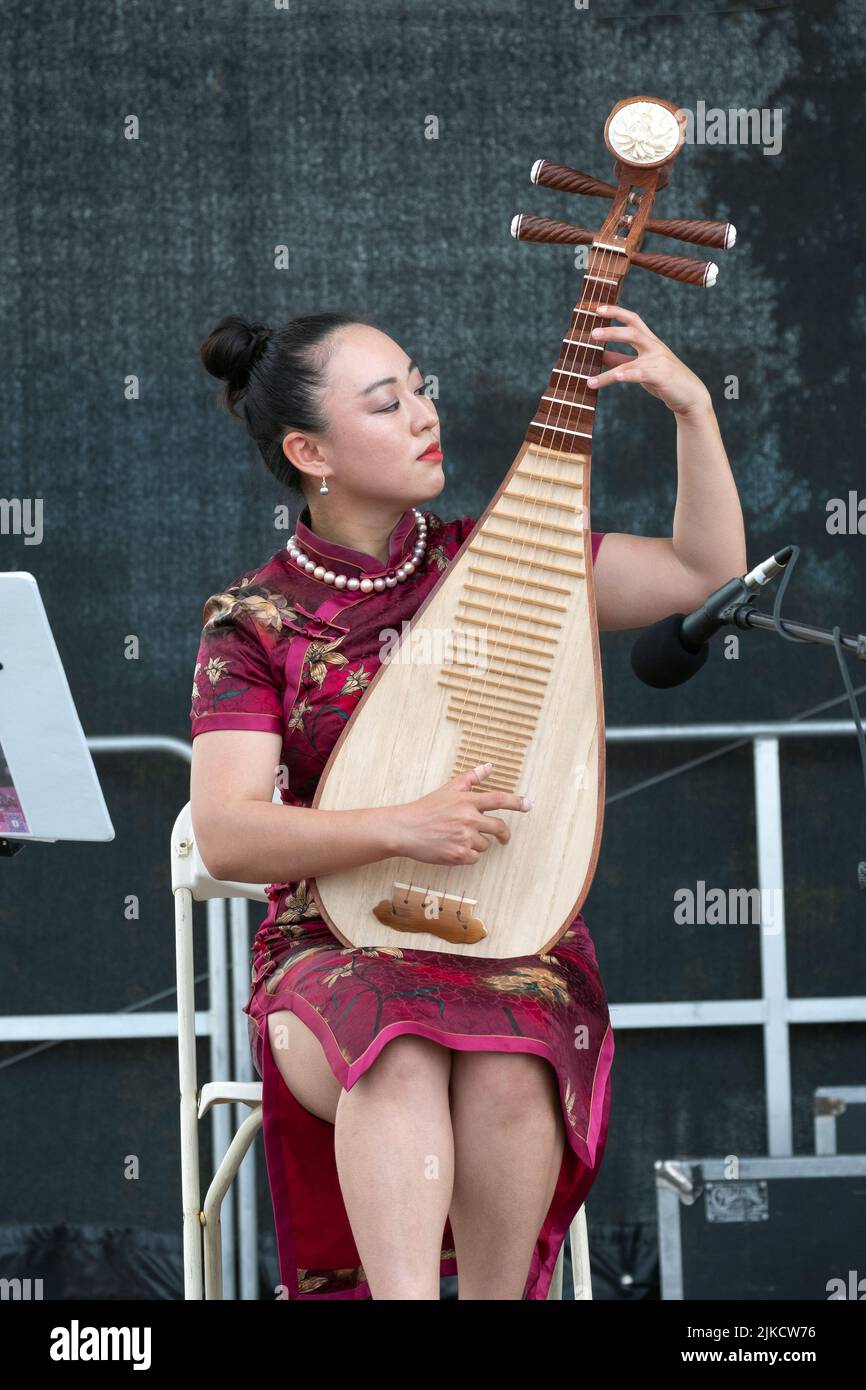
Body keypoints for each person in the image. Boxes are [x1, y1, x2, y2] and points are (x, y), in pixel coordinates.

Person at [189, 307, 747, 1300]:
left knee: (508, 1049)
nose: (420, 413)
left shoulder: (501, 566)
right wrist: (401, 824)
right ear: (309, 450)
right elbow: (230, 832)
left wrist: (691, 410)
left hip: (510, 934)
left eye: (417, 384)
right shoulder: (256, 621)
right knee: (399, 1044)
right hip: (333, 945)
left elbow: (698, 575)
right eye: (385, 400)